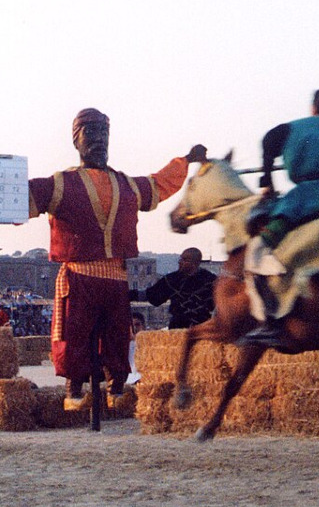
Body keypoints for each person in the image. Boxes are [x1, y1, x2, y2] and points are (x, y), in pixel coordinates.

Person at [26, 107, 206, 410]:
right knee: (75, 332)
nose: (100, 140)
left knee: (117, 337)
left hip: (116, 277)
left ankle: (117, 386)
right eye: (91, 133)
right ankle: (74, 389)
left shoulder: (128, 185)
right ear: (76, 141)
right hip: (80, 275)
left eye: (104, 133)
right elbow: (21, 198)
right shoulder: (60, 183)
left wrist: (186, 160)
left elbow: (159, 184)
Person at [241, 90, 319, 345]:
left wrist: (266, 180)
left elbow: (268, 141)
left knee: (256, 251)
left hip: (305, 201)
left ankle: (269, 323)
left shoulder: (297, 128)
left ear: (313, 108)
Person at [142, 247, 217, 329]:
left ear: (195, 263)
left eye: (184, 260)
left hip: (203, 329)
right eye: (180, 259)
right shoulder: (172, 279)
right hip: (177, 330)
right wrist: (129, 294)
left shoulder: (211, 281)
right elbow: (153, 295)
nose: (180, 262)